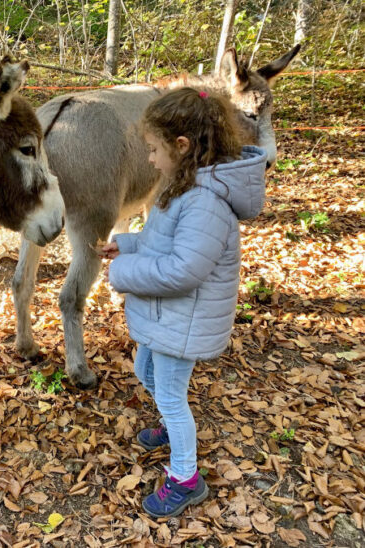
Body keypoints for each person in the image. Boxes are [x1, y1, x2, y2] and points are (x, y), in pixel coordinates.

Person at [98, 87, 267, 518]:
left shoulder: (205, 202)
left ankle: (186, 478)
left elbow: (182, 270)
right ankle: (172, 427)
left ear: (182, 146)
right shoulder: (183, 186)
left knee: (172, 395)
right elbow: (162, 241)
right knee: (143, 368)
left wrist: (121, 275)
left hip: (184, 319)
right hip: (168, 315)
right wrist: (128, 246)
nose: (150, 160)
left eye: (154, 150)